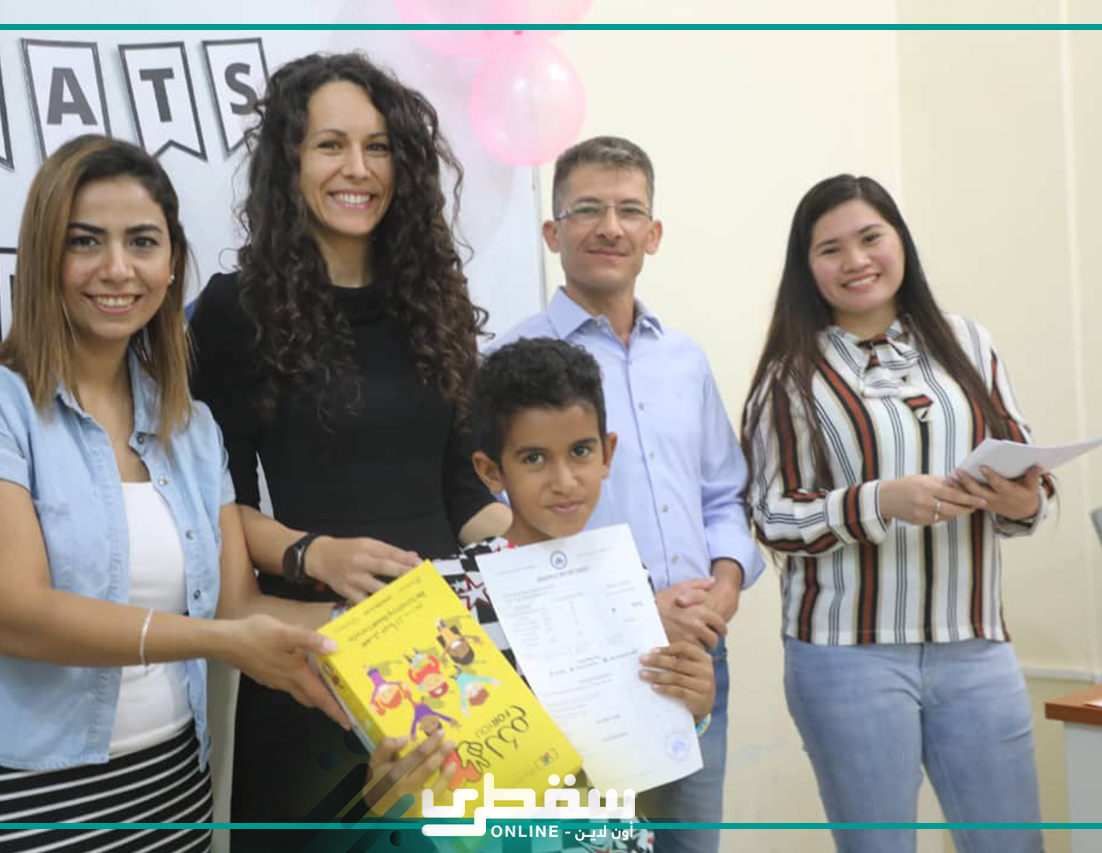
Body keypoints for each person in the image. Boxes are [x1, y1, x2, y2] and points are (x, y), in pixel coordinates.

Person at [0, 135, 345, 853]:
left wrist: (402, 618)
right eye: (85, 241)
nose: (116, 268)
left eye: (142, 241)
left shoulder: (190, 426)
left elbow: (238, 604)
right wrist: (218, 641)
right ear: (44, 258)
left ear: (171, 265)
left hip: (170, 788)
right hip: (11, 791)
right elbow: (15, 616)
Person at [187, 52, 507, 843]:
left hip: (446, 659)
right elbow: (213, 504)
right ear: (289, 162)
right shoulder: (234, 310)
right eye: (330, 145)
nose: (357, 168)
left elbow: (465, 495)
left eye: (378, 147)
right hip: (313, 655)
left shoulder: (435, 302)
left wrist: (556, 555)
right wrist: (313, 553)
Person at [740, 174, 1054, 853]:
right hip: (846, 656)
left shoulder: (968, 343)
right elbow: (769, 517)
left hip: (974, 642)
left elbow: (1028, 474)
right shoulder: (790, 375)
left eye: (870, 238)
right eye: (830, 249)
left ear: (899, 241)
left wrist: (1023, 499)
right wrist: (877, 501)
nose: (855, 261)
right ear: (807, 267)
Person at [492, 136, 763, 850]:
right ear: (552, 233)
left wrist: (725, 585)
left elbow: (723, 495)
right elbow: (502, 527)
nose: (610, 227)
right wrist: (635, 612)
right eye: (587, 209)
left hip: (696, 656)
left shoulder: (685, 359)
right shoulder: (512, 364)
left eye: (629, 210)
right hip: (581, 665)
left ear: (654, 233)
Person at [367, 338, 715, 851]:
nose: (564, 480)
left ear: (607, 453)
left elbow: (647, 734)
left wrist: (693, 706)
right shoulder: (443, 595)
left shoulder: (623, 575)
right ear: (490, 471)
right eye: (534, 458)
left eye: (580, 451)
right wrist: (389, 791)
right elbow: (396, 789)